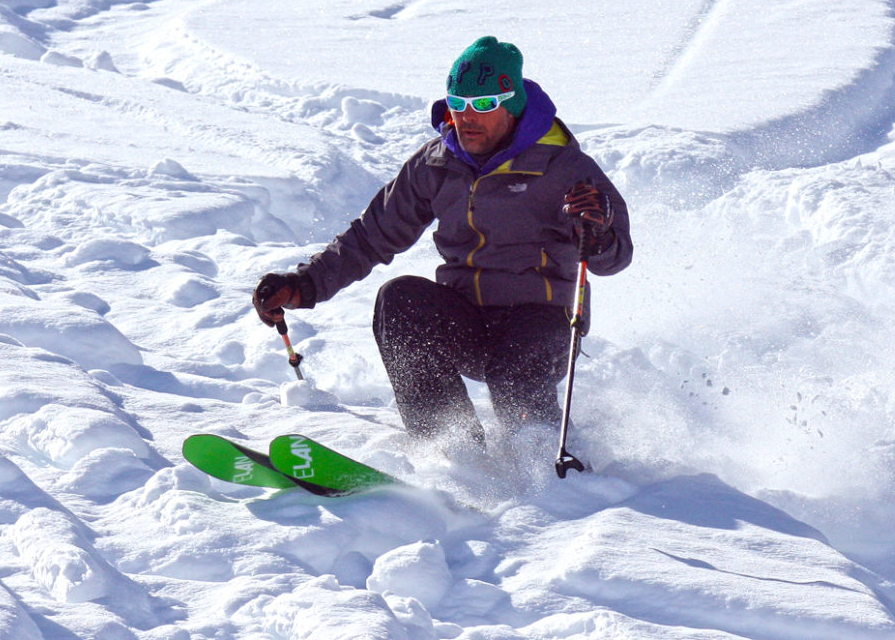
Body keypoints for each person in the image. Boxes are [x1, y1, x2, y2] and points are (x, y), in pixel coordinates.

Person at [253, 36, 633, 446]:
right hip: (469, 318)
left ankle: (546, 456)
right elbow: (372, 235)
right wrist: (304, 284)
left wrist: (599, 230)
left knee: (514, 371)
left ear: (513, 105)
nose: (469, 117)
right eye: (459, 103)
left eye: (485, 105)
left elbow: (614, 258)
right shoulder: (436, 163)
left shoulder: (563, 167)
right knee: (399, 300)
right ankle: (451, 447)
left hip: (543, 322)